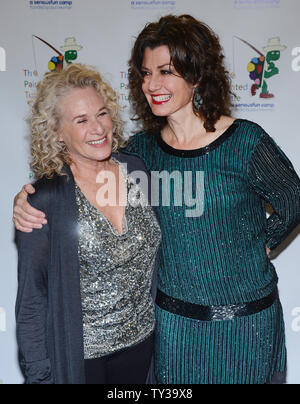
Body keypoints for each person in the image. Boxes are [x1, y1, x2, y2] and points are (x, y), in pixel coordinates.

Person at [13, 15, 300, 384]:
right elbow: (80, 172)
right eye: (145, 73)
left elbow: (292, 197)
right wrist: (27, 197)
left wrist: (262, 245)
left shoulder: (245, 142)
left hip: (246, 327)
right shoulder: (142, 153)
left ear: (196, 74)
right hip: (173, 332)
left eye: (165, 71)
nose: (152, 84)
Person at [14, 63, 161, 384]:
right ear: (56, 132)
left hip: (144, 350)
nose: (98, 128)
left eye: (102, 113)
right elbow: (31, 302)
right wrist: (41, 376)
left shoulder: (137, 169)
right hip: (81, 363)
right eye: (81, 120)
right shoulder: (44, 200)